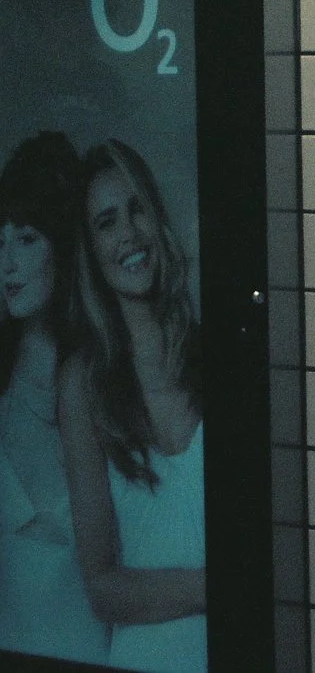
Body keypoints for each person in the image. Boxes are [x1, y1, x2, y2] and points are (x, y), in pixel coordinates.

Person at [59, 139, 205, 672]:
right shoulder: (83, 384)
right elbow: (102, 587)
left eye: (136, 208)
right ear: (92, 252)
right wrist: (213, 586)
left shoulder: (216, 357)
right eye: (106, 222)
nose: (128, 234)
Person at [0, 130, 111, 664]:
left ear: (61, 246)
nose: (7, 264)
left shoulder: (96, 379)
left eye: (26, 238)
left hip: (88, 648)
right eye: (0, 241)